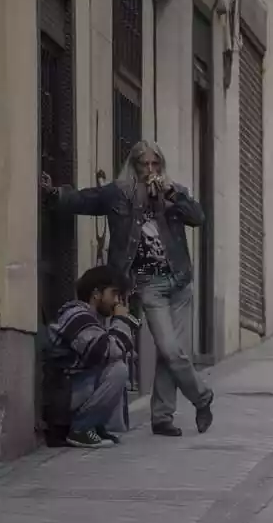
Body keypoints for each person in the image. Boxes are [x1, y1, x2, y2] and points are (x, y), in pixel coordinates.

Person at [42, 140, 214, 438]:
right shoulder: (119, 194)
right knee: (172, 350)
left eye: (155, 164)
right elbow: (85, 200)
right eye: (143, 165)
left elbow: (198, 218)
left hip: (180, 282)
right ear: (133, 167)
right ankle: (202, 398)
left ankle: (162, 417)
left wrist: (172, 195)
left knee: (170, 353)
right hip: (149, 285)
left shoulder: (175, 192)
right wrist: (54, 194)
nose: (150, 171)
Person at [45, 266, 138, 448]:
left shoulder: (91, 317)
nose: (116, 301)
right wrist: (120, 321)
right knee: (118, 370)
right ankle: (81, 429)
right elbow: (104, 351)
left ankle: (93, 426)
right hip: (63, 393)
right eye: (114, 294)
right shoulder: (76, 315)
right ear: (96, 293)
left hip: (74, 388)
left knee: (117, 365)